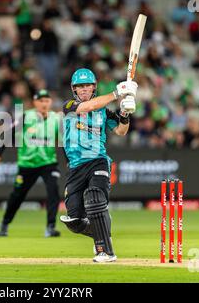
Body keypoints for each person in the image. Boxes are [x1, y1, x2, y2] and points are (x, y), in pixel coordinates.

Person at [60, 68, 137, 263]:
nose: (84, 89)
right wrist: (116, 93)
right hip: (76, 167)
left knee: (95, 196)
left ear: (94, 87)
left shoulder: (103, 111)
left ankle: (105, 251)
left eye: (87, 86)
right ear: (74, 90)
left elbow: (120, 131)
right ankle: (102, 230)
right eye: (80, 87)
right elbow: (86, 107)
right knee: (74, 221)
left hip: (98, 160)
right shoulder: (69, 106)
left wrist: (125, 114)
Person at [0, 89, 62, 237]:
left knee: (53, 192)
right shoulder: (26, 117)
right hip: (27, 164)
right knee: (17, 196)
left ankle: (50, 227)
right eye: (41, 101)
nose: (44, 103)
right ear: (35, 103)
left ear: (50, 102)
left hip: (48, 162)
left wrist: (69, 161)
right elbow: (9, 133)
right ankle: (5, 223)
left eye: (46, 101)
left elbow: (64, 142)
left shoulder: (56, 119)